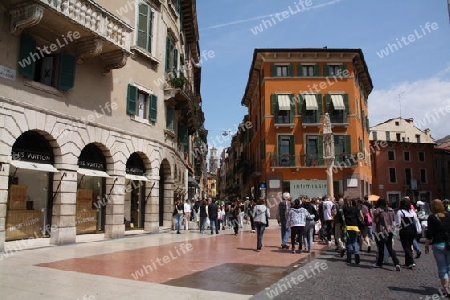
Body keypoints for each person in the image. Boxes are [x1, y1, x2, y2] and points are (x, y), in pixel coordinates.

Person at [425, 199, 450, 295]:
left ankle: (446, 289)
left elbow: (429, 233)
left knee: (442, 267)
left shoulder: (432, 217)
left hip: (438, 245)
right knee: (449, 266)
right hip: (448, 244)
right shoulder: (448, 215)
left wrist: (427, 245)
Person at [372, 198, 401, 271]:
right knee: (390, 248)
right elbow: (394, 221)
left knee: (381, 248)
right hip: (390, 230)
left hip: (381, 231)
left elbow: (375, 221)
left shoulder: (379, 211)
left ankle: (379, 263)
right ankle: (396, 263)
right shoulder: (391, 210)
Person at [396, 196, 419, 269]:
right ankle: (407, 262)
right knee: (409, 245)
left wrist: (395, 231)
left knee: (406, 247)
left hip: (405, 231)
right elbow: (416, 221)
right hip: (412, 230)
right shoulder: (412, 212)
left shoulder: (400, 212)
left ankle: (411, 261)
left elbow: (398, 223)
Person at [342, 198, 362, 264]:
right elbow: (358, 218)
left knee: (348, 243)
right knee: (354, 242)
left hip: (347, 227)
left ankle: (349, 258)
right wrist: (359, 227)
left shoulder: (344, 208)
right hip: (354, 227)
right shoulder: (356, 209)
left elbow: (342, 217)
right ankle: (357, 255)